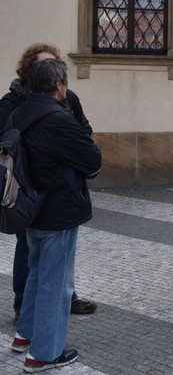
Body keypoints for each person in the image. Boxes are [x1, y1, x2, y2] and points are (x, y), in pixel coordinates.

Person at [10, 59, 102, 372]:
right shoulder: (58, 120)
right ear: (59, 85)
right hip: (57, 210)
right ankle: (44, 354)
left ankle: (24, 335)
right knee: (56, 283)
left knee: (37, 273)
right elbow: (92, 161)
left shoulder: (18, 113)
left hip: (29, 207)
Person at [0, 43, 98, 320]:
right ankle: (25, 311)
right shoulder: (11, 104)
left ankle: (66, 298)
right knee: (30, 254)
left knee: (53, 260)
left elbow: (83, 130)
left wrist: (70, 144)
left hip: (60, 187)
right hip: (26, 191)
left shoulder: (69, 100)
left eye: (56, 65)